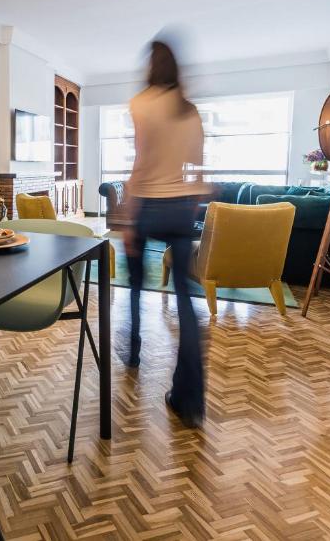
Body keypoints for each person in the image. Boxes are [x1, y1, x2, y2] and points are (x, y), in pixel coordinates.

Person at [122, 39, 208, 428]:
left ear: (150, 66)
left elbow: (141, 161)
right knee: (186, 299)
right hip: (179, 209)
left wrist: (128, 216)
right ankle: (189, 399)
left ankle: (135, 353)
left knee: (136, 287)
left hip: (148, 206)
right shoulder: (190, 111)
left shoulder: (141, 103)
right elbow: (196, 167)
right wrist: (190, 205)